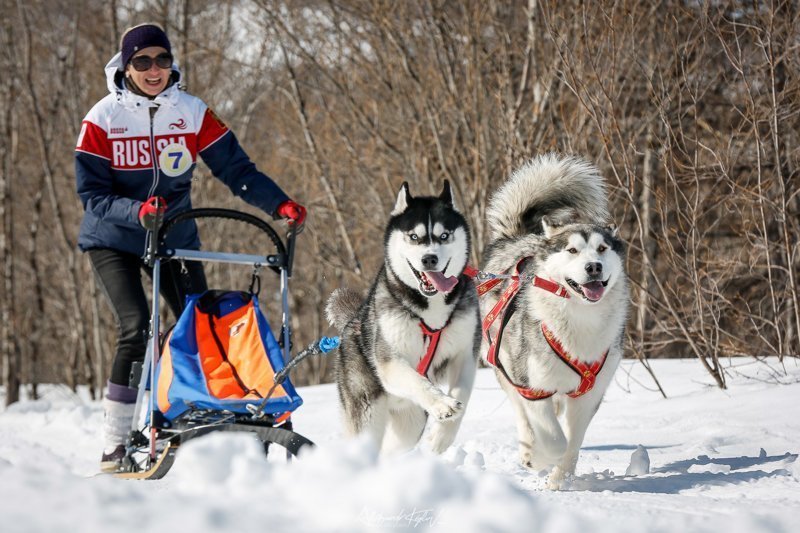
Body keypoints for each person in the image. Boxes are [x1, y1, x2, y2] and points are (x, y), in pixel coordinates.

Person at [75, 23, 306, 472]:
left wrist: (279, 203)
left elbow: (237, 169)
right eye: (142, 62)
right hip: (114, 236)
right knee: (137, 326)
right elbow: (93, 196)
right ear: (126, 66)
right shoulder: (101, 120)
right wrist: (138, 211)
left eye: (162, 59)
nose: (154, 70)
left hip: (174, 236)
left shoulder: (193, 112)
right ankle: (114, 444)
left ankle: (193, 416)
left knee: (199, 326)